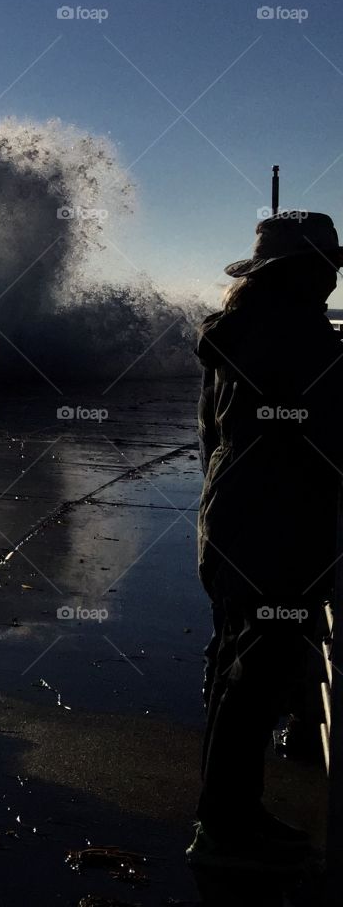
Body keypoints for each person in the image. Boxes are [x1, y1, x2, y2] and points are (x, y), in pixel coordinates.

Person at [187, 211, 343, 872]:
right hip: (277, 537)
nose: (335, 278)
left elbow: (211, 439)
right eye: (329, 266)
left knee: (234, 674)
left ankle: (228, 816)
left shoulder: (234, 334)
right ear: (307, 271)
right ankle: (225, 829)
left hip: (229, 526)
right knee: (256, 680)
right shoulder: (298, 335)